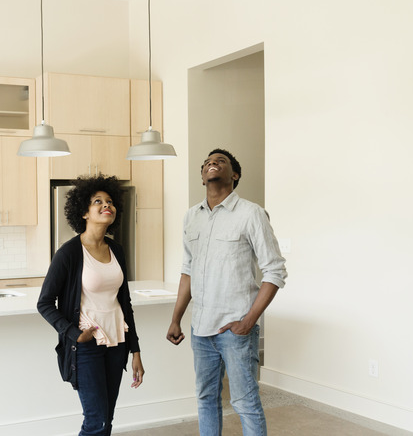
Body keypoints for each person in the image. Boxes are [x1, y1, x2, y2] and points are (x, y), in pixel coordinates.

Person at [166, 149, 287, 436]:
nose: (212, 163)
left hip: (236, 329)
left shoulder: (251, 214)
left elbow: (275, 272)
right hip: (200, 329)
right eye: (207, 161)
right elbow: (188, 271)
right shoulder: (190, 217)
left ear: (234, 175)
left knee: (245, 402)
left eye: (220, 161)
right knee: (206, 399)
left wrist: (248, 322)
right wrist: (176, 318)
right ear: (202, 176)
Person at [37, 173, 144, 436]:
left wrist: (136, 351)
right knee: (96, 421)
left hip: (117, 342)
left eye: (110, 201)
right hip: (87, 346)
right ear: (84, 212)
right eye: (98, 201)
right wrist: (74, 333)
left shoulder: (116, 250)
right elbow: (45, 303)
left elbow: (125, 302)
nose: (106, 205)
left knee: (106, 419)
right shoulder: (69, 253)